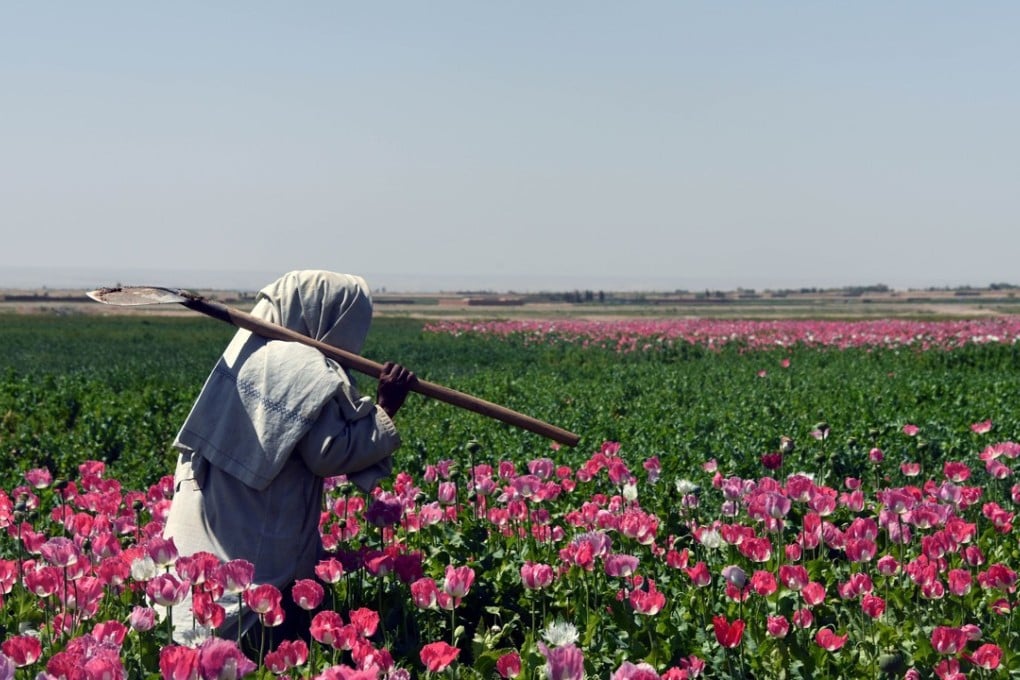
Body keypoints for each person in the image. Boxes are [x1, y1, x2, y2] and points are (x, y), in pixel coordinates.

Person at [161, 270, 417, 651]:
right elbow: (327, 453)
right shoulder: (301, 364)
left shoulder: (251, 350)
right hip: (257, 525)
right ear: (331, 317)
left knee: (204, 603)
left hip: (225, 506)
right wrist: (385, 408)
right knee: (249, 617)